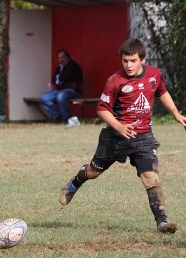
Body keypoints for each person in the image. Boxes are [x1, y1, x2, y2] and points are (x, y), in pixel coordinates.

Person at [59, 38, 186, 233]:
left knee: (150, 177)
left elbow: (162, 92)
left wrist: (176, 114)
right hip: (114, 137)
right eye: (125, 60)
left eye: (133, 60)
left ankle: (162, 222)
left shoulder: (154, 75)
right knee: (93, 172)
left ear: (142, 59)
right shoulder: (115, 81)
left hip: (143, 136)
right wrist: (119, 126)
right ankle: (74, 183)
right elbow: (102, 109)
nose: (128, 65)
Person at [40, 49, 83, 126]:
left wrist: (58, 80)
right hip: (61, 90)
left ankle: (67, 118)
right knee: (44, 97)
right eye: (59, 58)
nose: (61, 60)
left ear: (68, 57)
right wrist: (56, 81)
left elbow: (63, 77)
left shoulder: (72, 65)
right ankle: (58, 117)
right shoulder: (60, 67)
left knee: (61, 96)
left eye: (62, 57)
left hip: (73, 90)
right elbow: (54, 79)